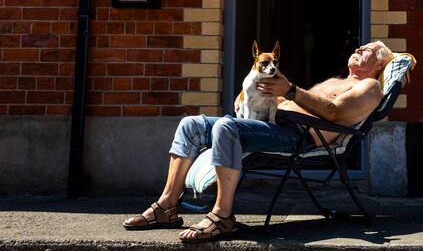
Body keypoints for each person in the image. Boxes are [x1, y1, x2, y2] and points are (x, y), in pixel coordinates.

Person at [122, 40, 393, 242]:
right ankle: (167, 206)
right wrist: (254, 98)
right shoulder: (339, 79)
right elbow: (293, 101)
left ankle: (222, 215)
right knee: (191, 124)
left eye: (366, 50)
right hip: (272, 123)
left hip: (297, 138)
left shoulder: (369, 87)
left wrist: (289, 90)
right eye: (359, 47)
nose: (358, 48)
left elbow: (333, 112)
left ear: (379, 64)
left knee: (228, 128)